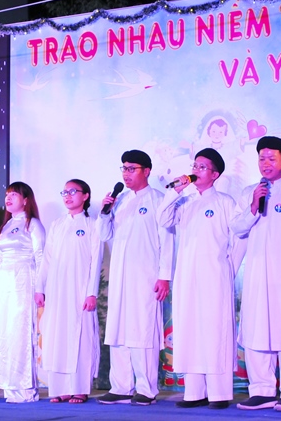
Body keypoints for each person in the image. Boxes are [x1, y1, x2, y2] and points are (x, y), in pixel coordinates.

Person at [157, 148, 238, 410]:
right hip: (187, 275)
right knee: (189, 329)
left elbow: (238, 239)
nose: (196, 170)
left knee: (214, 330)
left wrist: (228, 269)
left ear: (215, 174)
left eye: (203, 167)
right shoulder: (185, 202)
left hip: (215, 275)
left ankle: (219, 393)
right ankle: (194, 392)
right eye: (195, 165)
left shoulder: (225, 202)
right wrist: (175, 191)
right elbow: (163, 219)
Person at [231, 136, 281, 412]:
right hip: (256, 272)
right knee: (257, 327)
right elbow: (237, 228)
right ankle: (262, 390)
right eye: (261, 158)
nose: (265, 163)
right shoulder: (249, 192)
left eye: (271, 158)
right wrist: (253, 205)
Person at [95, 150, 173, 406]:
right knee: (119, 330)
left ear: (146, 171)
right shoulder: (120, 201)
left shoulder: (159, 200)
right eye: (124, 169)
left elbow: (167, 241)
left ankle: (146, 389)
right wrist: (105, 212)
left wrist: (164, 276)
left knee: (143, 330)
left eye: (132, 169)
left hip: (145, 276)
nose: (126, 174)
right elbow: (104, 235)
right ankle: (120, 387)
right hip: (120, 276)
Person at [35, 179, 102, 404]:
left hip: (80, 290)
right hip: (56, 290)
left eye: (73, 191)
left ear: (85, 196)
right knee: (57, 337)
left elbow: (96, 260)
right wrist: (40, 288)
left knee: (80, 337)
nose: (67, 196)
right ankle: (60, 388)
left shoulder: (93, 224)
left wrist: (91, 292)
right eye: (64, 192)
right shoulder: (57, 224)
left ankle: (79, 388)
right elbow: (47, 259)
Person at [0, 182, 45, 403]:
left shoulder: (33, 224)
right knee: (5, 333)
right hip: (4, 285)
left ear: (26, 200)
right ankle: (9, 387)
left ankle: (25, 389)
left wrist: (40, 288)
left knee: (21, 332)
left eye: (14, 195)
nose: (8, 199)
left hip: (24, 282)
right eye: (7, 195)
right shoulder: (7, 226)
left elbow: (41, 257)